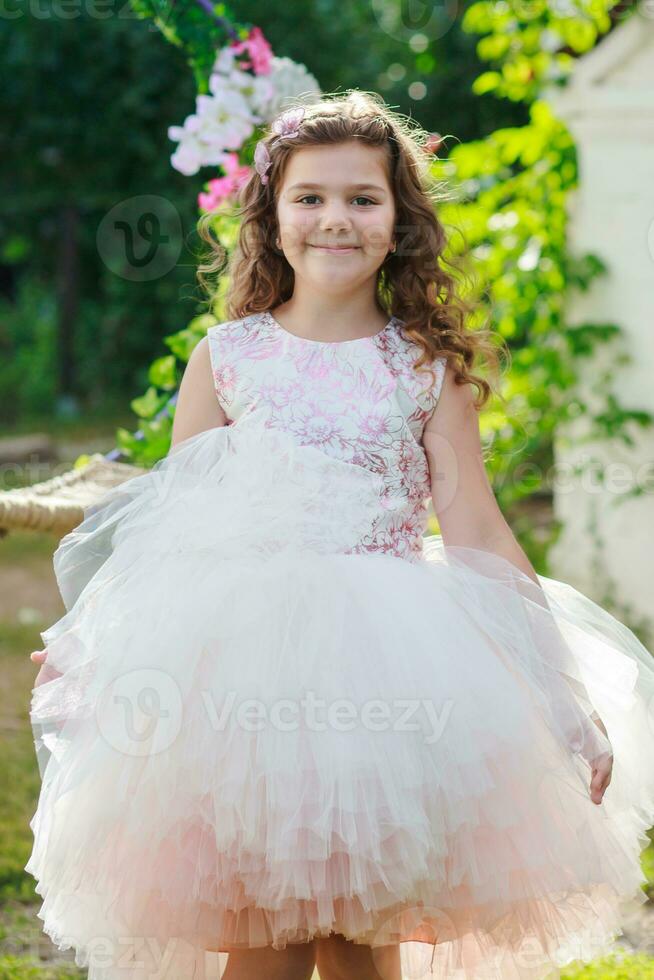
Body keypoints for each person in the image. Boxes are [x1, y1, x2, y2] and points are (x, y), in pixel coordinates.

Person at [26, 91, 654, 980]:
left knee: (366, 940)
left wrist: (556, 689)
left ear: (399, 221)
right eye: (310, 198)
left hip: (397, 670)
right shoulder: (229, 358)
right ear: (273, 217)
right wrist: (99, 647)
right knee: (264, 944)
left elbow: (475, 522)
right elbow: (179, 521)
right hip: (240, 673)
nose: (335, 220)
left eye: (363, 199)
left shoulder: (423, 369)